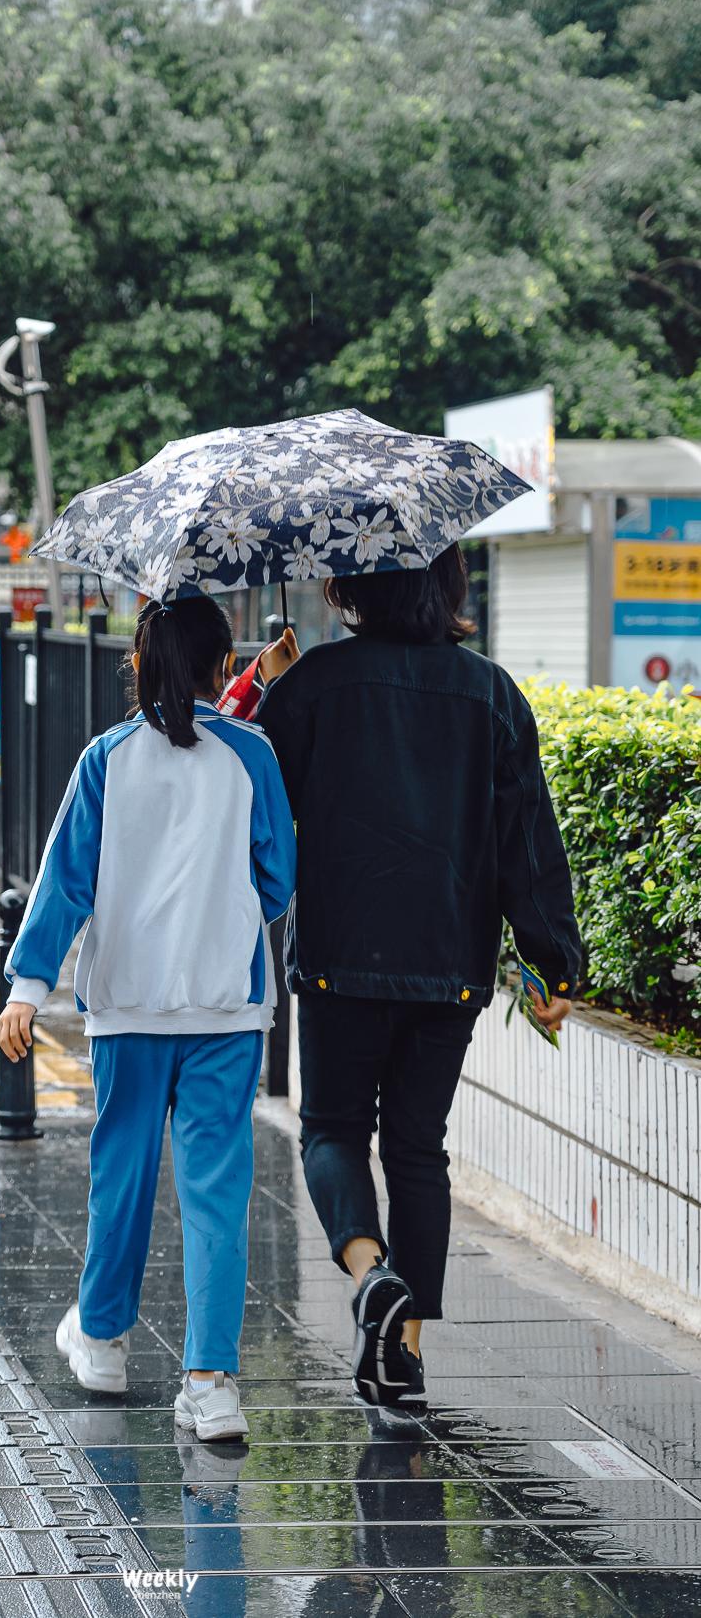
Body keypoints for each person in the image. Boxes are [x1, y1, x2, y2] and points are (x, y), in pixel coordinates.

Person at [256, 544, 581, 1408]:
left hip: (339, 956)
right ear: (449, 587)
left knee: (328, 1130)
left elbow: (254, 796)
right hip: (450, 965)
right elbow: (529, 846)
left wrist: (278, 686)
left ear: (351, 585)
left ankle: (368, 1276)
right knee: (417, 1150)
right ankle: (404, 1353)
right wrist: (554, 962)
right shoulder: (492, 694)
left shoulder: (316, 684)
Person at [0, 596, 296, 1441]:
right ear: (217, 665)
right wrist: (229, 916)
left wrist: (26, 991)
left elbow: (66, 882)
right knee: (217, 1192)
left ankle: (101, 1339)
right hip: (226, 1005)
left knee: (120, 1175)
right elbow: (278, 877)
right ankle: (212, 1385)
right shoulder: (252, 755)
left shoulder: (106, 758)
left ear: (138, 664)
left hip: (128, 1004)